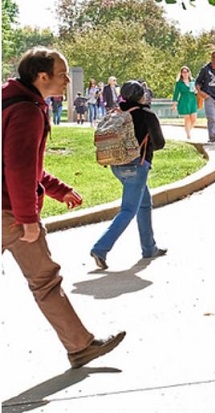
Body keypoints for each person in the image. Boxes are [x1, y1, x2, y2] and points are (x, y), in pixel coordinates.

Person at [3, 47, 126, 368]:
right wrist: (28, 218)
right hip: (9, 214)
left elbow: (24, 164)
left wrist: (58, 189)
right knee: (45, 281)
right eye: (61, 74)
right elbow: (16, 168)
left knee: (45, 280)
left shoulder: (9, 101)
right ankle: (80, 346)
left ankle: (80, 345)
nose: (67, 80)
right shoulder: (27, 111)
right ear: (41, 76)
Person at [89, 81, 168, 270]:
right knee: (128, 210)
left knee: (144, 203)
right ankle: (100, 248)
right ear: (142, 96)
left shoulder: (117, 113)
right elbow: (159, 143)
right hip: (137, 166)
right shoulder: (147, 115)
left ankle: (149, 247)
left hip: (117, 165)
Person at [172, 65, 198, 140]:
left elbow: (197, 91)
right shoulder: (179, 83)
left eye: (186, 72)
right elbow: (176, 94)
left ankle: (189, 129)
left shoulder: (193, 81)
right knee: (187, 118)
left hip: (192, 100)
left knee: (194, 118)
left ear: (189, 73)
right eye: (183, 72)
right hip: (184, 101)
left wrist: (196, 91)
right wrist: (174, 105)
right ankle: (188, 133)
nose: (185, 73)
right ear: (181, 73)